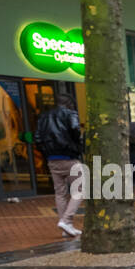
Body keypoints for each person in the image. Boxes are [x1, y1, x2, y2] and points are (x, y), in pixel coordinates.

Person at [34, 93, 85, 237]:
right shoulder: (70, 114)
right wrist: (78, 147)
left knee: (60, 192)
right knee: (80, 188)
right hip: (69, 157)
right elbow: (76, 131)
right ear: (70, 103)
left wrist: (46, 152)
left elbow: (37, 138)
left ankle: (65, 227)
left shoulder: (43, 117)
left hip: (52, 159)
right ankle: (66, 221)